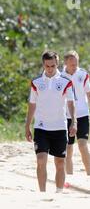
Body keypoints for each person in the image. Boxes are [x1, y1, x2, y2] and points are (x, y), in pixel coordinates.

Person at [25, 50, 77, 192]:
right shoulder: (36, 82)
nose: (50, 69)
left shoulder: (66, 82)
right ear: (43, 65)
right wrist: (27, 125)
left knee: (60, 162)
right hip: (41, 127)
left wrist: (74, 121)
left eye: (52, 66)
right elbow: (32, 104)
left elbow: (71, 103)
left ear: (57, 64)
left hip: (60, 127)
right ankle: (42, 193)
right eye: (47, 66)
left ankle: (59, 192)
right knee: (41, 160)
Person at [61, 50, 90, 177]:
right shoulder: (60, 77)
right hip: (66, 116)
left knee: (82, 145)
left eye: (76, 63)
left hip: (82, 114)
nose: (74, 66)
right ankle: (70, 176)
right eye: (71, 64)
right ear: (65, 63)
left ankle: (89, 175)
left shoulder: (83, 74)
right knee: (68, 148)